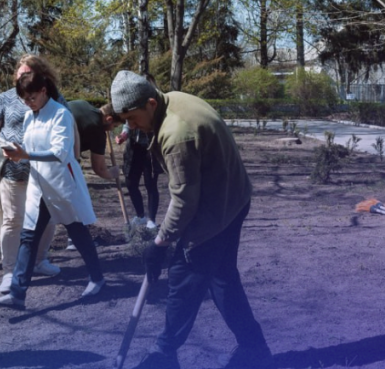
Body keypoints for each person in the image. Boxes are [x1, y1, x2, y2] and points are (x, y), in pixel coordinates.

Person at [110, 70, 272, 369]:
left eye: (132, 118)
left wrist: (159, 244)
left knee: (183, 278)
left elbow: (184, 200)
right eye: (125, 120)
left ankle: (163, 356)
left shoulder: (176, 134)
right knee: (222, 278)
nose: (131, 126)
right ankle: (255, 350)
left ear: (150, 104)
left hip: (216, 209)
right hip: (233, 197)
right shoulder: (172, 99)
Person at [0, 71, 106, 309]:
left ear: (44, 91)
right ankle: (17, 294)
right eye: (24, 99)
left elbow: (60, 153)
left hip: (62, 184)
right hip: (38, 185)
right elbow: (30, 148)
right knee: (28, 237)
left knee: (77, 232)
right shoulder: (30, 117)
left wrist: (26, 155)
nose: (28, 103)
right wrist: (15, 152)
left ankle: (97, 279)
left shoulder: (61, 114)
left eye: (31, 98)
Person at [0, 55, 63, 296]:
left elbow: (65, 128)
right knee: (13, 219)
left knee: (48, 219)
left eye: (27, 74)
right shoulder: (4, 99)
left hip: (43, 171)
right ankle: (10, 271)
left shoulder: (53, 98)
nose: (22, 78)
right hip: (12, 171)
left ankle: (40, 260)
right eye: (19, 74)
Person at [115, 122, 162, 230]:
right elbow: (128, 124)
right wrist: (123, 135)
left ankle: (151, 220)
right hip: (134, 148)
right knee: (130, 183)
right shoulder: (131, 113)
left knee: (150, 184)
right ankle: (140, 216)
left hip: (151, 148)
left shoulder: (154, 112)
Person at [67, 99, 123, 181]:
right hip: (61, 160)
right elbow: (100, 169)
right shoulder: (98, 131)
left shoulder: (82, 103)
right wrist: (113, 173)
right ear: (109, 119)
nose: (112, 129)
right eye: (114, 126)